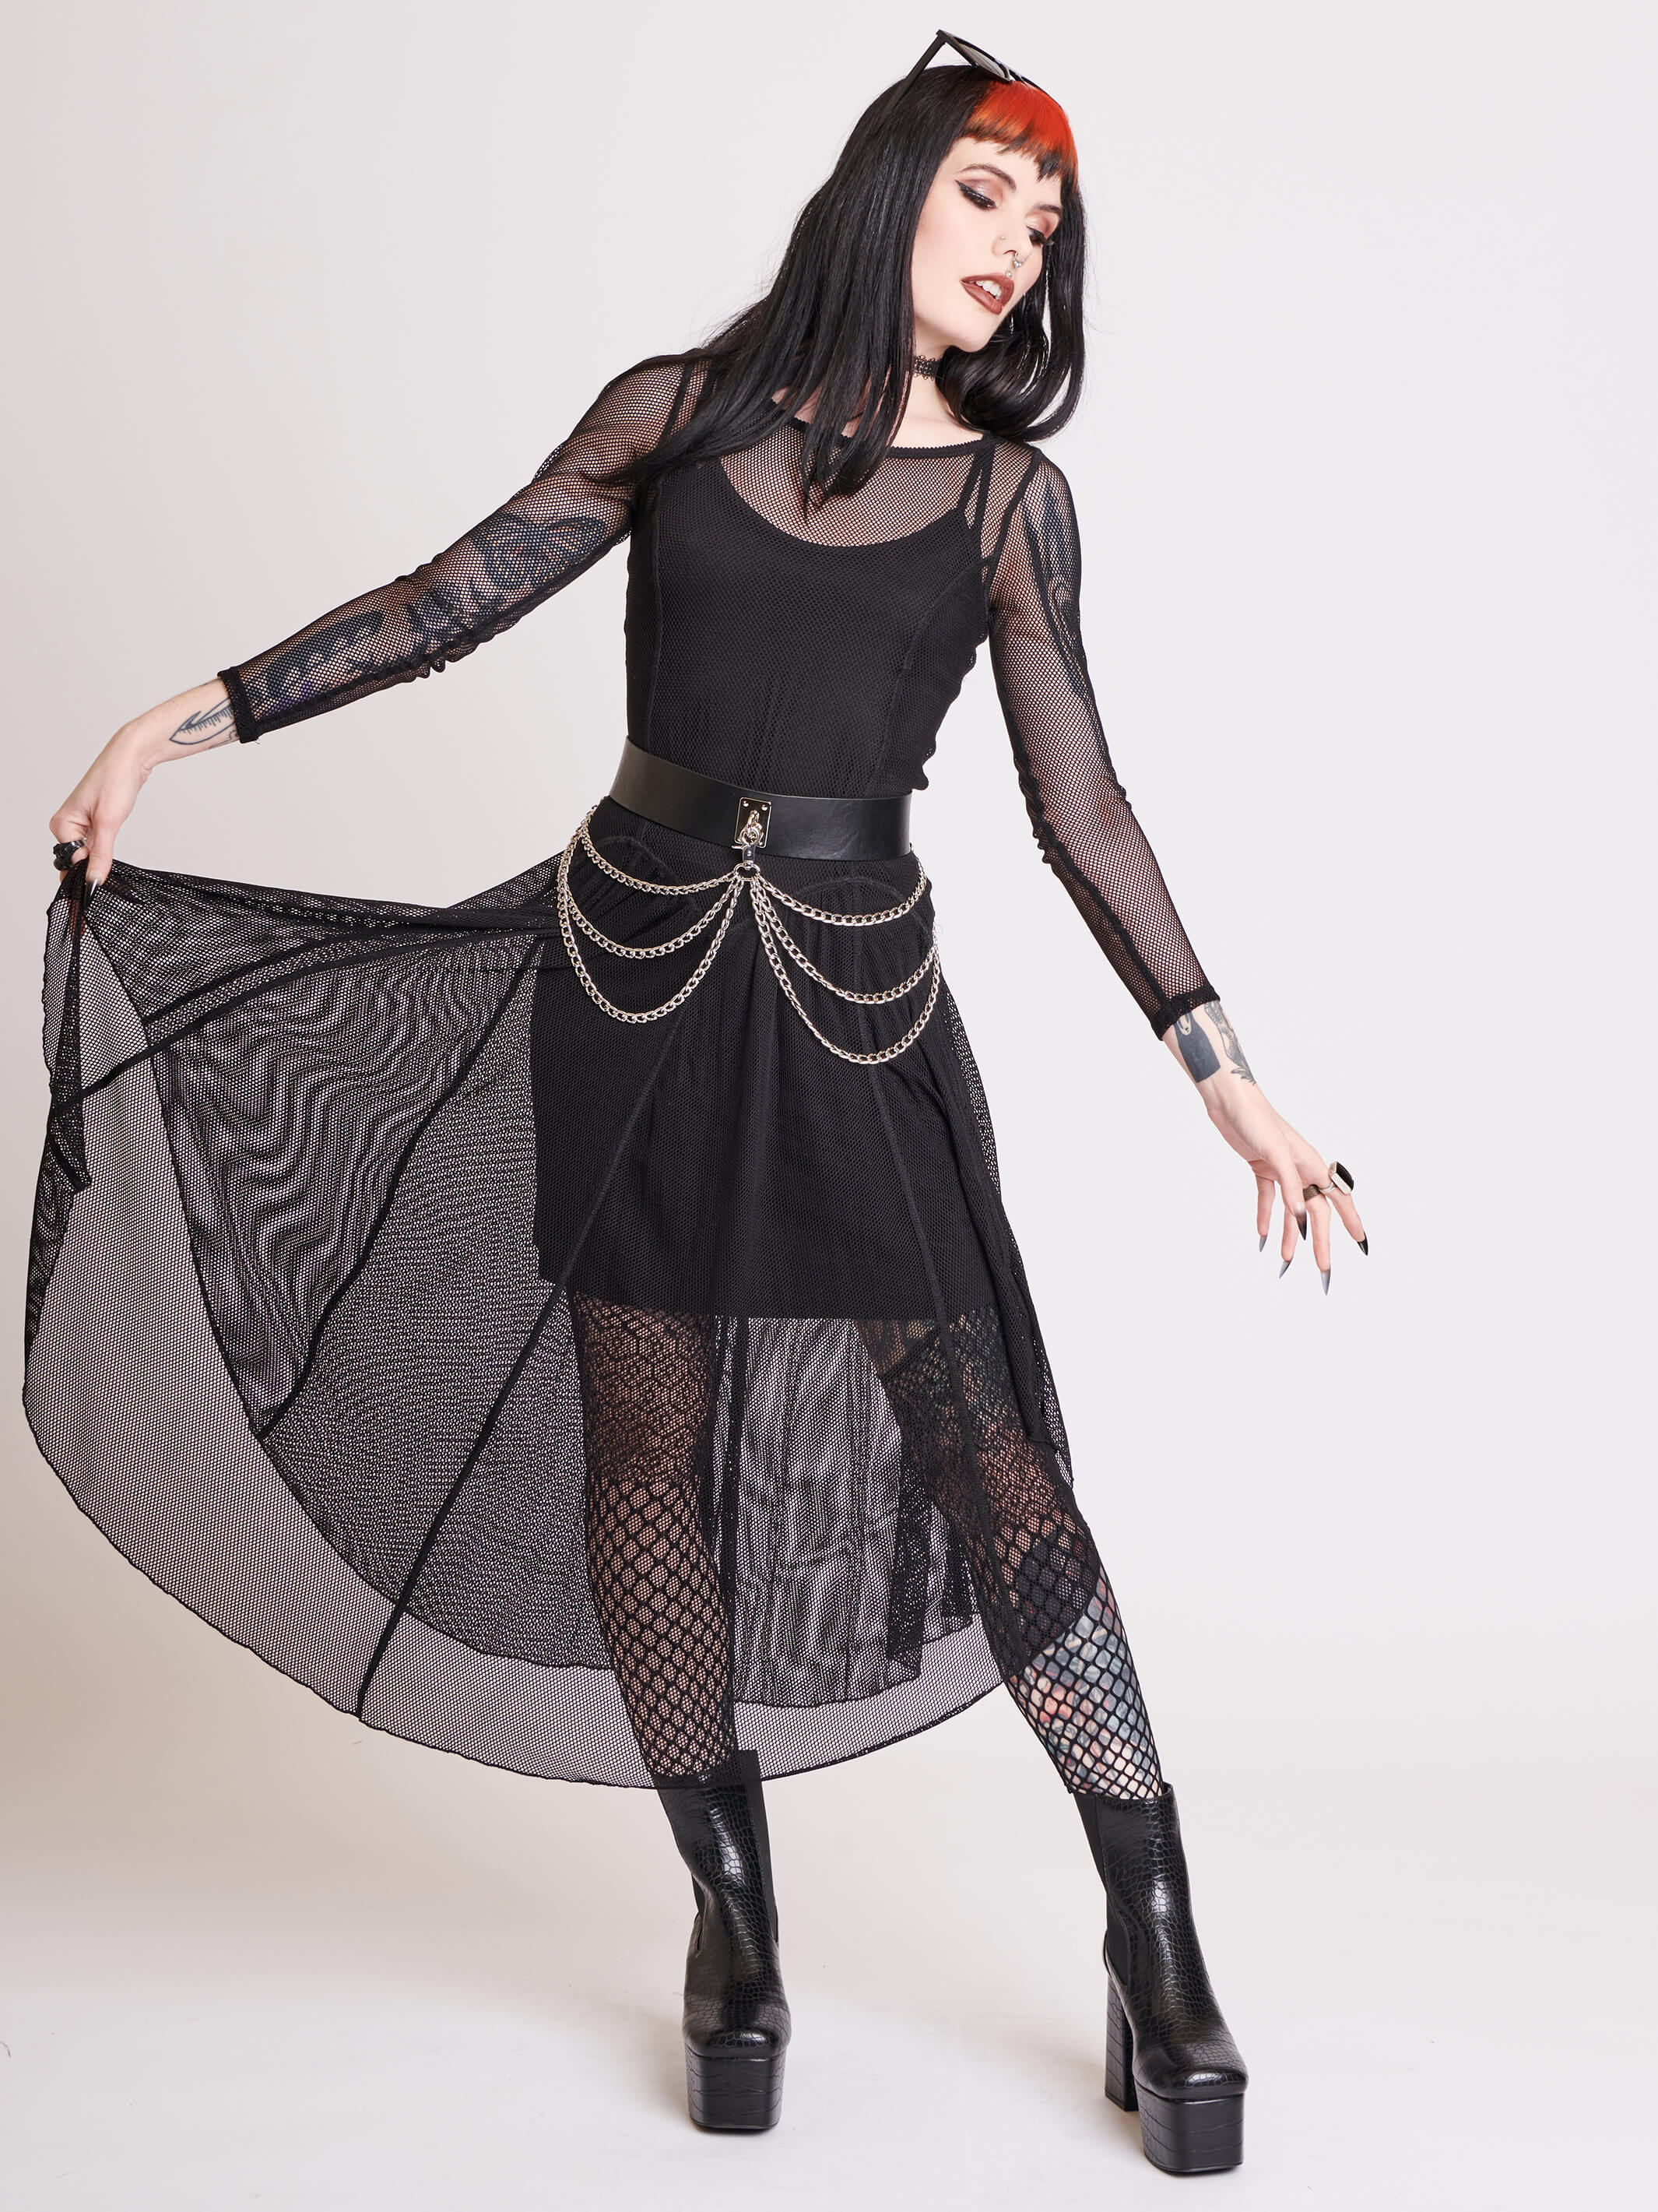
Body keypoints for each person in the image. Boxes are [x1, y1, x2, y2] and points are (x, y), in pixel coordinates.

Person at [32, 32, 1366, 2174]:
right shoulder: (675, 413)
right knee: (640, 1451)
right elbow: (448, 601)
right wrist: (171, 726)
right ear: (885, 190)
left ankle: (1155, 1930)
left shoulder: (1006, 503)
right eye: (984, 198)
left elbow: (1083, 804)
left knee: (992, 1466)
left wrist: (1225, 1070)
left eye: (1045, 228)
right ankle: (731, 1911)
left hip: (853, 1010)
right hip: (630, 983)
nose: (1016, 251)